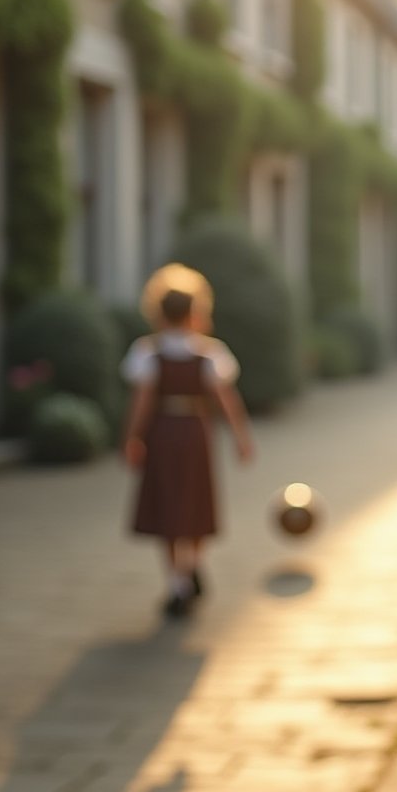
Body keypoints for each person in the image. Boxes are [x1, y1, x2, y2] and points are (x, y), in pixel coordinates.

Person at [121, 263, 255, 619]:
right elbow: (227, 400)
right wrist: (241, 438)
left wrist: (132, 438)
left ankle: (177, 581)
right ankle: (192, 563)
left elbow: (142, 402)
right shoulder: (209, 353)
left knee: (167, 505)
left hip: (163, 433)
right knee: (195, 502)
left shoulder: (148, 353)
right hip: (195, 432)